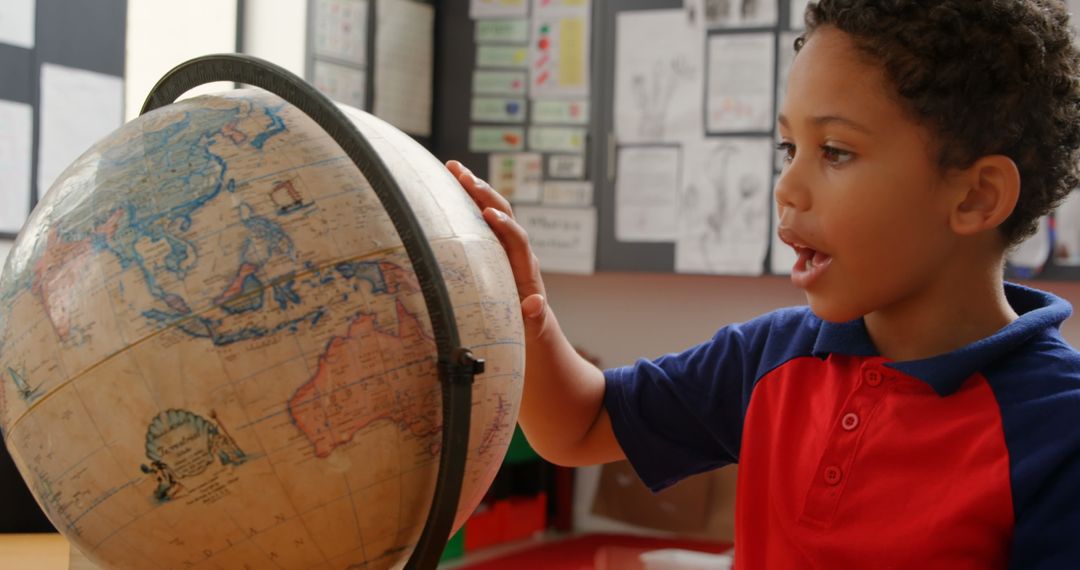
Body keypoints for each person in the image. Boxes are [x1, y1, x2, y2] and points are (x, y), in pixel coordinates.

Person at [447, 0, 1080, 566]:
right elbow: (579, 427)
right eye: (788, 150)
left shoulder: (1058, 427)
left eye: (835, 151)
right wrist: (523, 306)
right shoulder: (772, 358)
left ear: (976, 196)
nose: (787, 188)